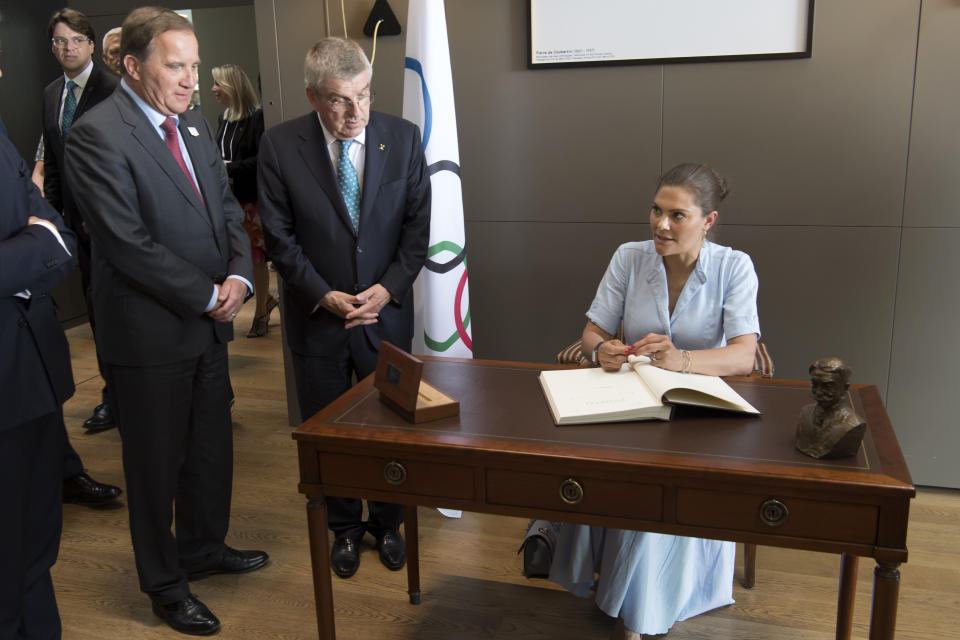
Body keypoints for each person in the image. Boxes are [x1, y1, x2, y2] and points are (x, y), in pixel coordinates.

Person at [64, 7, 266, 635]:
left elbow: (227, 209)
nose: (190, 80)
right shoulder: (97, 134)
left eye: (195, 66)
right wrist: (207, 292)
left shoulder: (196, 125)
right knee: (154, 467)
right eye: (175, 66)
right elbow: (125, 244)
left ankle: (203, 549)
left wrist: (239, 276)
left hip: (209, 322)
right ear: (132, 66)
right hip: (148, 334)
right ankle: (164, 583)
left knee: (209, 450)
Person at [551, 163, 760, 639]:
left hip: (701, 408)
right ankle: (594, 569)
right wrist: (598, 348)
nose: (661, 225)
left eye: (677, 215)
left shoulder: (734, 266)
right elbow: (593, 332)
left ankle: (637, 612)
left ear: (708, 222)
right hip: (631, 398)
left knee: (657, 480)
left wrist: (679, 359)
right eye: (656, 211)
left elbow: (744, 355)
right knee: (612, 461)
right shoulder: (629, 257)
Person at [259, 37, 430, 579]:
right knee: (331, 434)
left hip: (387, 317)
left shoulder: (402, 138)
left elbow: (417, 230)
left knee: (390, 429)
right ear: (313, 96)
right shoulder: (280, 146)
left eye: (364, 96)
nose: (355, 113)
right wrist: (322, 294)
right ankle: (345, 529)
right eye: (339, 100)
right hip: (319, 321)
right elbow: (279, 238)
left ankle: (388, 522)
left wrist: (388, 288)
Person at [0, 89, 77, 637]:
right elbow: (41, 235)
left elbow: (58, 235)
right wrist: (34, 241)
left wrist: (36, 239)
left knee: (35, 544)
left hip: (33, 372)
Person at [41, 7, 124, 508]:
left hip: (112, 224)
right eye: (58, 41)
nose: (67, 48)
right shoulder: (53, 94)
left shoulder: (113, 89)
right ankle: (113, 395)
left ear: (92, 45)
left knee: (116, 308)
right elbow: (54, 160)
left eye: (75, 40)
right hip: (72, 225)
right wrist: (53, 218)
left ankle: (127, 396)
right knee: (95, 313)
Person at [210, 63, 274, 337]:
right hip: (228, 198)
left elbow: (263, 160)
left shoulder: (257, 119)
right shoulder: (224, 119)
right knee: (240, 254)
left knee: (256, 258)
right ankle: (264, 301)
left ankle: (261, 311)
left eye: (218, 84)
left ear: (232, 88)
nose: (213, 89)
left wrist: (229, 168)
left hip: (251, 200)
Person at [795, 357, 866, 458]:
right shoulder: (805, 413)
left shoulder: (854, 424)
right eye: (815, 384)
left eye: (827, 386)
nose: (818, 392)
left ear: (845, 388)